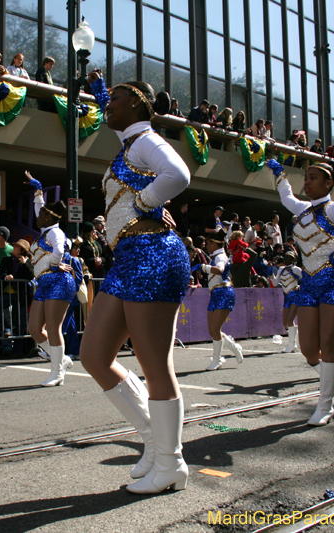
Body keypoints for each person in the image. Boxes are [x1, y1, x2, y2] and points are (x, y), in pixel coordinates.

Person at [79, 72, 191, 494]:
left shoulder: (145, 141)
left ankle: (172, 464)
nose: (110, 105)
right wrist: (101, 89)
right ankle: (153, 439)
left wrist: (146, 203)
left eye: (118, 99)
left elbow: (177, 174)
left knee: (155, 364)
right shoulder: (130, 144)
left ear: (140, 106)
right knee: (93, 354)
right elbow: (117, 113)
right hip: (127, 259)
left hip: (154, 256)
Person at [270, 156, 334, 427]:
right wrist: (278, 172)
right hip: (310, 283)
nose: (308, 182)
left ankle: (325, 406)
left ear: (328, 183)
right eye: (306, 177)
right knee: (308, 349)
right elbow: (286, 195)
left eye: (313, 178)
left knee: (327, 345)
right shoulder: (302, 209)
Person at [24, 170, 75, 386]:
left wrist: (54, 263)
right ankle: (61, 359)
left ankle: (57, 373)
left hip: (58, 282)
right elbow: (39, 207)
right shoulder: (45, 230)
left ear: (48, 217)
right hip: (44, 284)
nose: (37, 217)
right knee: (35, 329)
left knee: (53, 328)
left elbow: (59, 250)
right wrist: (37, 189)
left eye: (41, 215)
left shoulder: (55, 232)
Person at [192, 229, 242, 370]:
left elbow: (219, 270)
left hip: (224, 293)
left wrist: (202, 267)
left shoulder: (221, 256)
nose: (207, 245)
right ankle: (234, 346)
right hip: (215, 294)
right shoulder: (215, 255)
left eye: (208, 243)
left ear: (214, 243)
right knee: (212, 330)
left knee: (215, 329)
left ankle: (217, 359)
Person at [0, 239, 34, 357]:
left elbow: (30, 276)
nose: (14, 248)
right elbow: (0, 272)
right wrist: (6, 276)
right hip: (8, 292)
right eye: (14, 246)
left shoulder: (28, 262)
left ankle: (18, 351)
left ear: (22, 250)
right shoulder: (7, 260)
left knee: (20, 323)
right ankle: (7, 328)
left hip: (21, 296)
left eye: (17, 247)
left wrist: (24, 263)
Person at [272, 252, 302, 353]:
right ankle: (293, 343)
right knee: (285, 323)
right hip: (286, 297)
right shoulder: (281, 269)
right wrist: (271, 274)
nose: (286, 259)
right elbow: (276, 283)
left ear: (293, 259)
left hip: (295, 296)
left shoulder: (296, 269)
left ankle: (292, 344)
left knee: (290, 321)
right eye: (285, 257)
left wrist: (301, 287)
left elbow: (306, 279)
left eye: (289, 258)